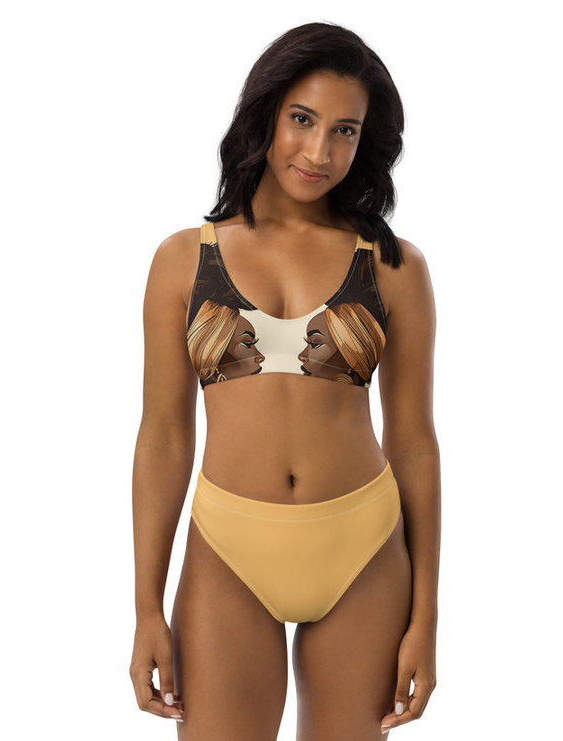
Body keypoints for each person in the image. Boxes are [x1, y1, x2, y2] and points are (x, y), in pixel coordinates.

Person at [129, 21, 441, 740]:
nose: (319, 152)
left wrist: (426, 616)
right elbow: (164, 437)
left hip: (363, 547)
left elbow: (414, 442)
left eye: (344, 131)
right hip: (227, 549)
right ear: (265, 113)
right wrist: (146, 606)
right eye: (302, 119)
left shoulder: (394, 266)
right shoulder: (183, 260)